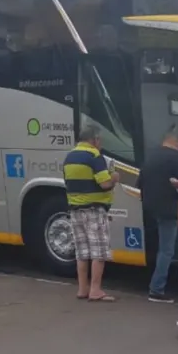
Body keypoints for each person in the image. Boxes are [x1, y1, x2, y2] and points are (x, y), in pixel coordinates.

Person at [63, 124, 120, 302]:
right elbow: (105, 184)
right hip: (94, 210)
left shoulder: (69, 156)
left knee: (82, 252)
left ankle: (82, 289)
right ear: (94, 139)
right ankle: (95, 290)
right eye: (100, 139)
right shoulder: (94, 156)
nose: (100, 143)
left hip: (75, 210)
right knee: (99, 252)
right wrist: (115, 178)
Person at [136, 125, 178, 303]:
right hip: (169, 210)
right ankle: (156, 290)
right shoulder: (177, 157)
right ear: (176, 142)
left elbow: (139, 182)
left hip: (149, 207)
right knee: (166, 250)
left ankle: (153, 282)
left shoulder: (150, 156)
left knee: (160, 247)